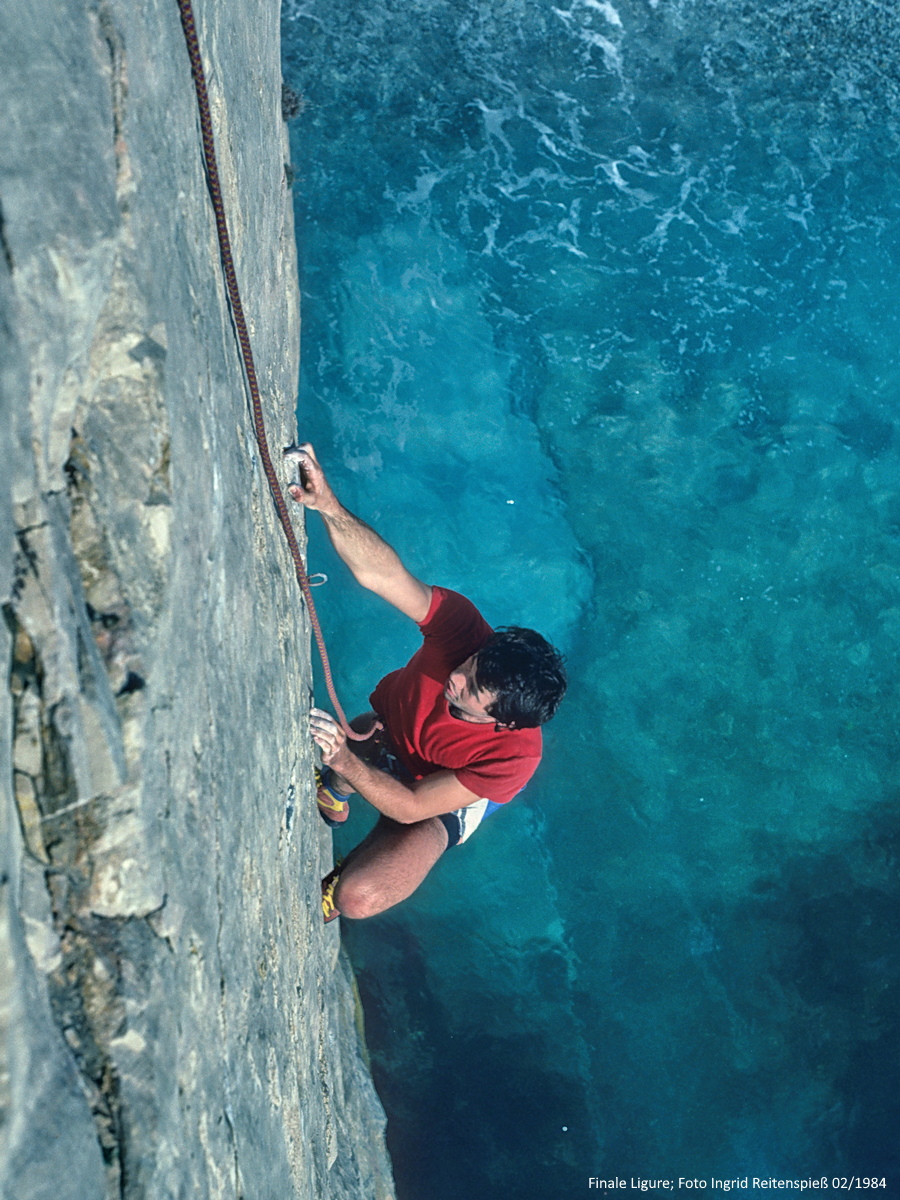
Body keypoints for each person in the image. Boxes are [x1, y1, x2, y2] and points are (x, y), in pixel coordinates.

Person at [287, 443, 567, 923]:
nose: (457, 675)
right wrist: (329, 507)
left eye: (473, 688)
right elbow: (384, 574)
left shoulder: (515, 757)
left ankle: (350, 826)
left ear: (499, 723)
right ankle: (336, 793)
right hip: (387, 731)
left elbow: (417, 805)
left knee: (358, 898)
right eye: (473, 664)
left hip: (436, 801)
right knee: (367, 734)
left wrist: (342, 757)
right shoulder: (464, 628)